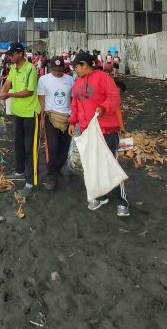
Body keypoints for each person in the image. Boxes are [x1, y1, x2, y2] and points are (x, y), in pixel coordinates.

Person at [68, 51, 128, 217]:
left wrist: (103, 108)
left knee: (111, 164)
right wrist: (73, 122)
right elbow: (75, 104)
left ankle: (122, 201)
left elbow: (114, 98)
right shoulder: (77, 83)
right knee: (92, 164)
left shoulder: (103, 78)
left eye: (76, 66)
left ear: (85, 65)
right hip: (87, 131)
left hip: (106, 130)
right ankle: (100, 195)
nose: (75, 70)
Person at [0, 42, 41, 198]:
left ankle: (31, 182)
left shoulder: (30, 69)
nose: (10, 56)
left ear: (21, 53)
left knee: (31, 148)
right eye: (9, 54)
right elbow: (8, 83)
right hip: (18, 113)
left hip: (30, 113)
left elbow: (28, 91)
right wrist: (3, 91)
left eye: (12, 54)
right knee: (18, 143)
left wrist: (9, 95)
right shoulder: (13, 69)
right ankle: (20, 171)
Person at [37, 56, 74, 191]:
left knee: (65, 148)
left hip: (67, 117)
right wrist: (41, 118)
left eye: (60, 70)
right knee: (52, 147)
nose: (58, 73)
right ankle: (50, 175)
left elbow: (73, 99)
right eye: (55, 70)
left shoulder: (70, 80)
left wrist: (74, 118)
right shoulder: (43, 80)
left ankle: (58, 168)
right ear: (50, 68)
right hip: (50, 117)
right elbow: (41, 99)